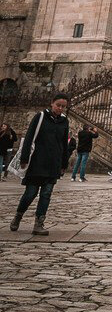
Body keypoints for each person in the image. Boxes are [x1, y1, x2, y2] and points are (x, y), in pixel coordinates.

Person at [10, 92, 70, 235]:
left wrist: (63, 163)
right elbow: (29, 137)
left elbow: (64, 144)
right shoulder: (40, 117)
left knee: (46, 194)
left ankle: (39, 224)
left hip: (53, 163)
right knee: (30, 193)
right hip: (37, 162)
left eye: (63, 106)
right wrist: (24, 158)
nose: (60, 108)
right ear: (52, 103)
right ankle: (18, 215)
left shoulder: (64, 121)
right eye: (58, 105)